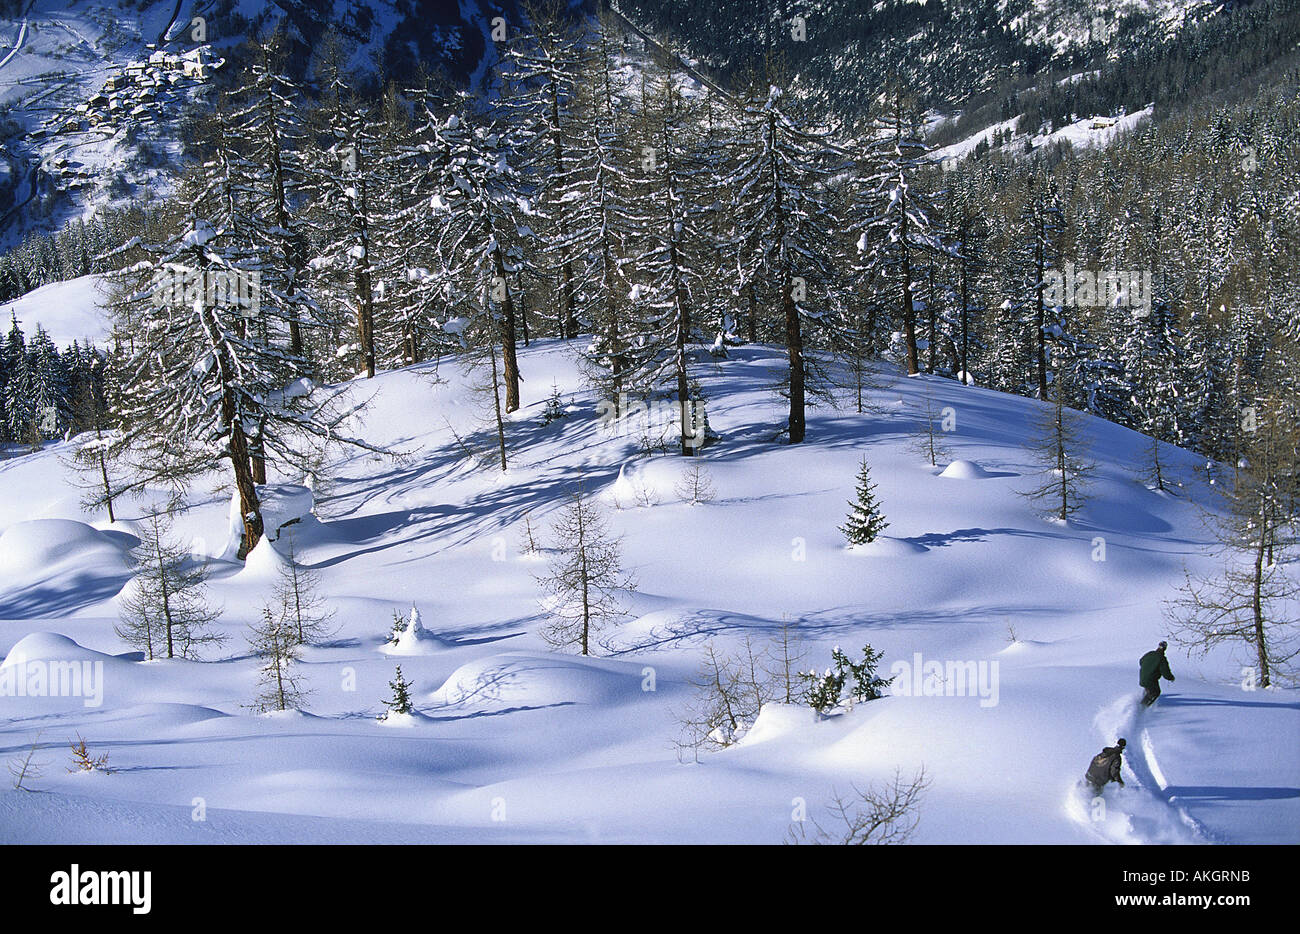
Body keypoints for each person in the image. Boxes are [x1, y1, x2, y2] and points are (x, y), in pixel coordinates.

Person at [1139, 641, 1175, 707]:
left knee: (1148, 691)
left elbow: (1141, 661)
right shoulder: (1161, 658)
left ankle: (1141, 705)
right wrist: (1171, 678)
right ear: (1165, 648)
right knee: (1155, 692)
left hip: (1142, 677)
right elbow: (1166, 673)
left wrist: (1147, 668)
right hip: (1151, 680)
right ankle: (1142, 707)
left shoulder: (1150, 654)